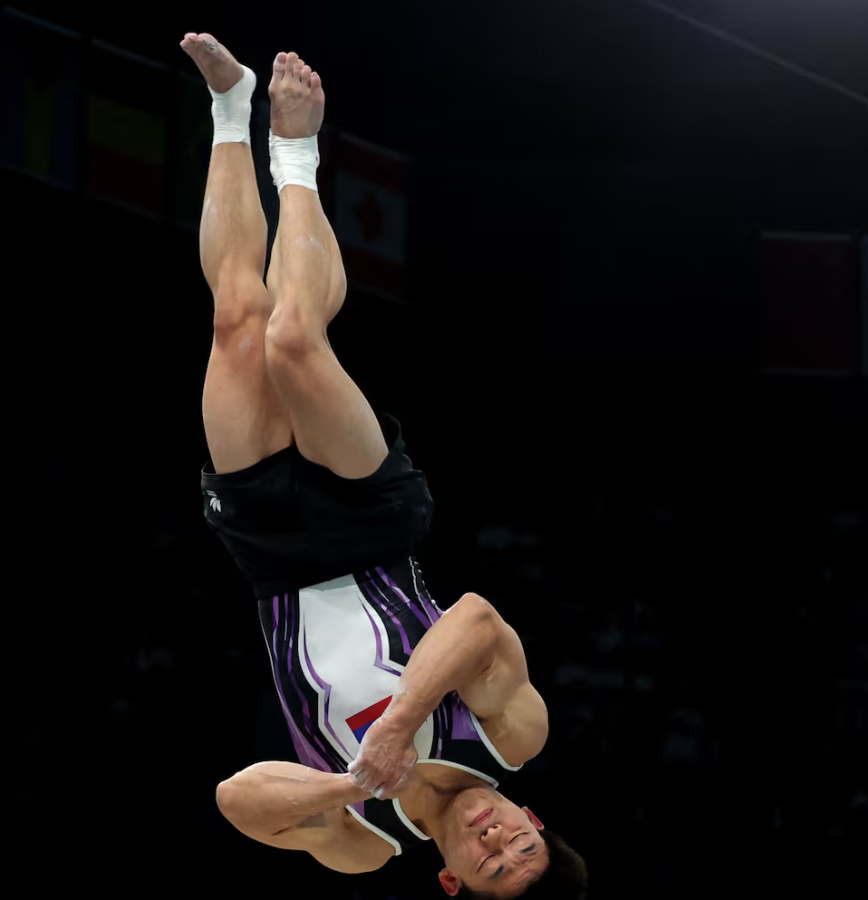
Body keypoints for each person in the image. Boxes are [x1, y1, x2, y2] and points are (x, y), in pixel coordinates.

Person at [179, 32, 586, 898]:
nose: (498, 839)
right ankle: (296, 151)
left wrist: (354, 784)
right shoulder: (512, 738)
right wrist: (401, 726)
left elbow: (238, 800)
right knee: (293, 340)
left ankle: (229, 107)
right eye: (524, 843)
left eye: (493, 866)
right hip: (373, 529)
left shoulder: (361, 842)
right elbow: (475, 620)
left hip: (271, 562)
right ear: (532, 816)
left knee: (239, 320)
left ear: (453, 882)